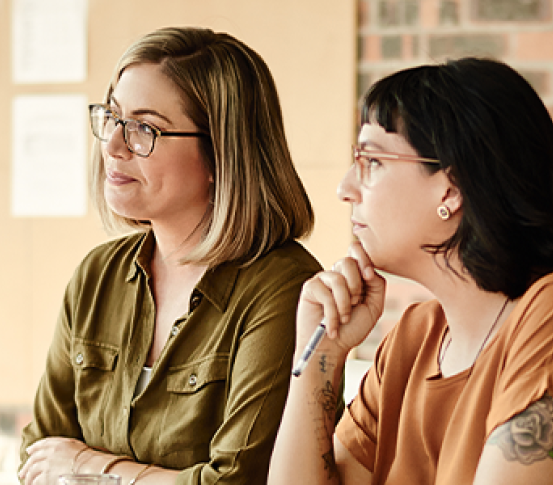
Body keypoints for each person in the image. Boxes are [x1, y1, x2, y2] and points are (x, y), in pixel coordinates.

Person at [268, 57, 553, 484]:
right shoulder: (414, 338)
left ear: (452, 187)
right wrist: (317, 357)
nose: (345, 188)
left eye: (371, 161)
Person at [18, 26, 334, 485]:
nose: (112, 145)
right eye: (113, 117)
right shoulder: (97, 274)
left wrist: (89, 465)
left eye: (145, 128)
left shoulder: (283, 287)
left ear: (222, 154)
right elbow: (39, 455)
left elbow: (232, 480)